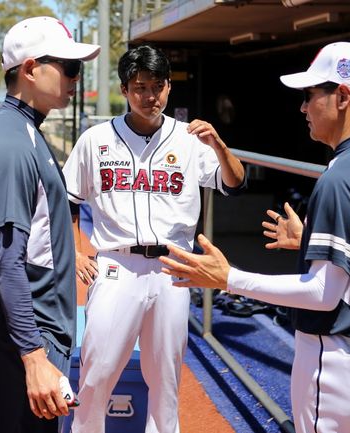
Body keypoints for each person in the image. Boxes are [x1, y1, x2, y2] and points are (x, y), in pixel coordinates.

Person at [159, 41, 350, 433]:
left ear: (343, 95)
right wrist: (312, 238)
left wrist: (228, 279)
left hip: (340, 358)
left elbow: (324, 292)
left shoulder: (341, 177)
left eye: (311, 95)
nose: (303, 107)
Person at [62, 44, 246, 433]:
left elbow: (235, 182)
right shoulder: (95, 140)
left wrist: (219, 145)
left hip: (172, 267)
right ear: (125, 89)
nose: (150, 96)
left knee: (166, 379)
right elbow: (68, 200)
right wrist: (77, 251)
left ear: (168, 88)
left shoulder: (190, 138)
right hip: (117, 264)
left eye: (158, 86)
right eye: (140, 86)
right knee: (97, 372)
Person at [0, 16, 100, 433]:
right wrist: (33, 357)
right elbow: (5, 262)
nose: (75, 78)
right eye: (69, 67)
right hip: (25, 341)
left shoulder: (25, 129)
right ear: (29, 69)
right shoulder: (12, 142)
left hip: (36, 335)